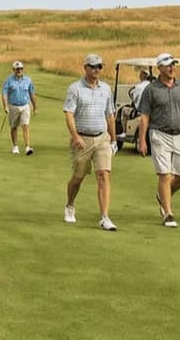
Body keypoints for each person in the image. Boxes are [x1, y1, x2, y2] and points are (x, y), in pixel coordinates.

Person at [136, 52, 180, 228]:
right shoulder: (151, 90)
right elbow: (144, 116)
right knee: (164, 174)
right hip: (159, 134)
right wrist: (142, 140)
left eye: (173, 65)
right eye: (168, 65)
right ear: (160, 68)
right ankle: (167, 213)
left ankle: (162, 196)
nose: (172, 68)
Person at [62, 53, 118, 231]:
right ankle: (70, 205)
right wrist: (75, 136)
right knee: (77, 178)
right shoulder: (75, 89)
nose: (97, 70)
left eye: (99, 66)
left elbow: (110, 114)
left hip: (102, 138)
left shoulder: (106, 89)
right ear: (85, 67)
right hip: (82, 139)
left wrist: (114, 139)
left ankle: (104, 217)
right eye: (93, 66)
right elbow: (69, 114)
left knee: (103, 175)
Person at [1, 61, 37, 155]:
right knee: (14, 127)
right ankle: (15, 147)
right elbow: (4, 94)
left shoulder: (28, 80)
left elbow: (32, 94)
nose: (19, 70)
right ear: (13, 70)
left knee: (25, 126)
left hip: (25, 105)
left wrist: (35, 107)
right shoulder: (8, 80)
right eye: (17, 69)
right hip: (13, 106)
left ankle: (27, 147)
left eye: (21, 68)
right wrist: (5, 106)